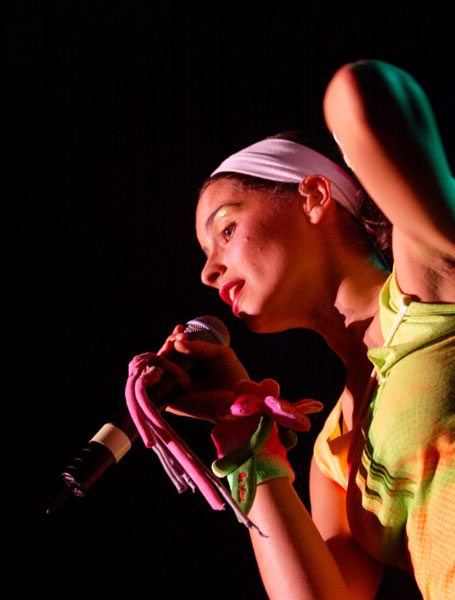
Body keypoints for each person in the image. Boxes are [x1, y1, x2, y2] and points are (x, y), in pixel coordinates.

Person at [159, 60, 455, 599]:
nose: (209, 272)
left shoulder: (432, 284)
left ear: (314, 196)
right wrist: (242, 439)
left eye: (226, 228)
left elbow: (362, 91)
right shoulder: (336, 450)